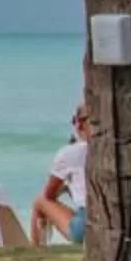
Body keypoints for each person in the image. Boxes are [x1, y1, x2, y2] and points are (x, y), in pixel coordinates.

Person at [32, 106, 90, 247]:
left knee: (40, 202)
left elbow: (49, 195)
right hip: (116, 222)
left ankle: (36, 249)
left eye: (75, 120)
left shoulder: (70, 152)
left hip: (86, 225)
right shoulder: (114, 151)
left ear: (80, 124)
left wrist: (65, 188)